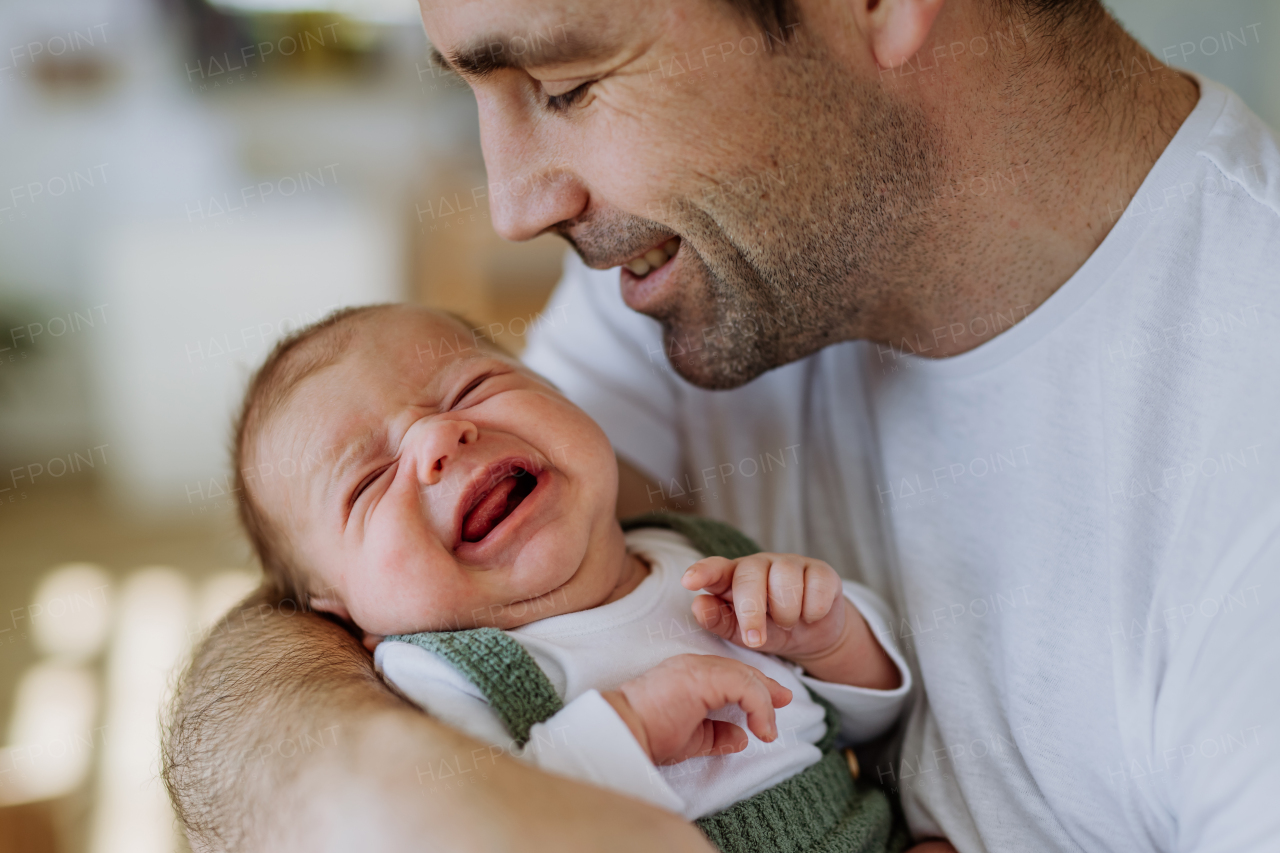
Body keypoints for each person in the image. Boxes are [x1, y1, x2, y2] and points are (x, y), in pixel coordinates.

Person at [163, 0, 1280, 850]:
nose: (512, 206)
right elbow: (310, 614)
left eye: (563, 83)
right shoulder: (705, 270)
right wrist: (416, 802)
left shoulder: (1241, 489)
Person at [227, 302, 938, 851]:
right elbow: (485, 822)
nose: (439, 437)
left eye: (472, 386)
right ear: (338, 607)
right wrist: (628, 729)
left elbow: (865, 723)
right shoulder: (443, 675)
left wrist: (831, 636)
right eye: (370, 482)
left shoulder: (698, 556)